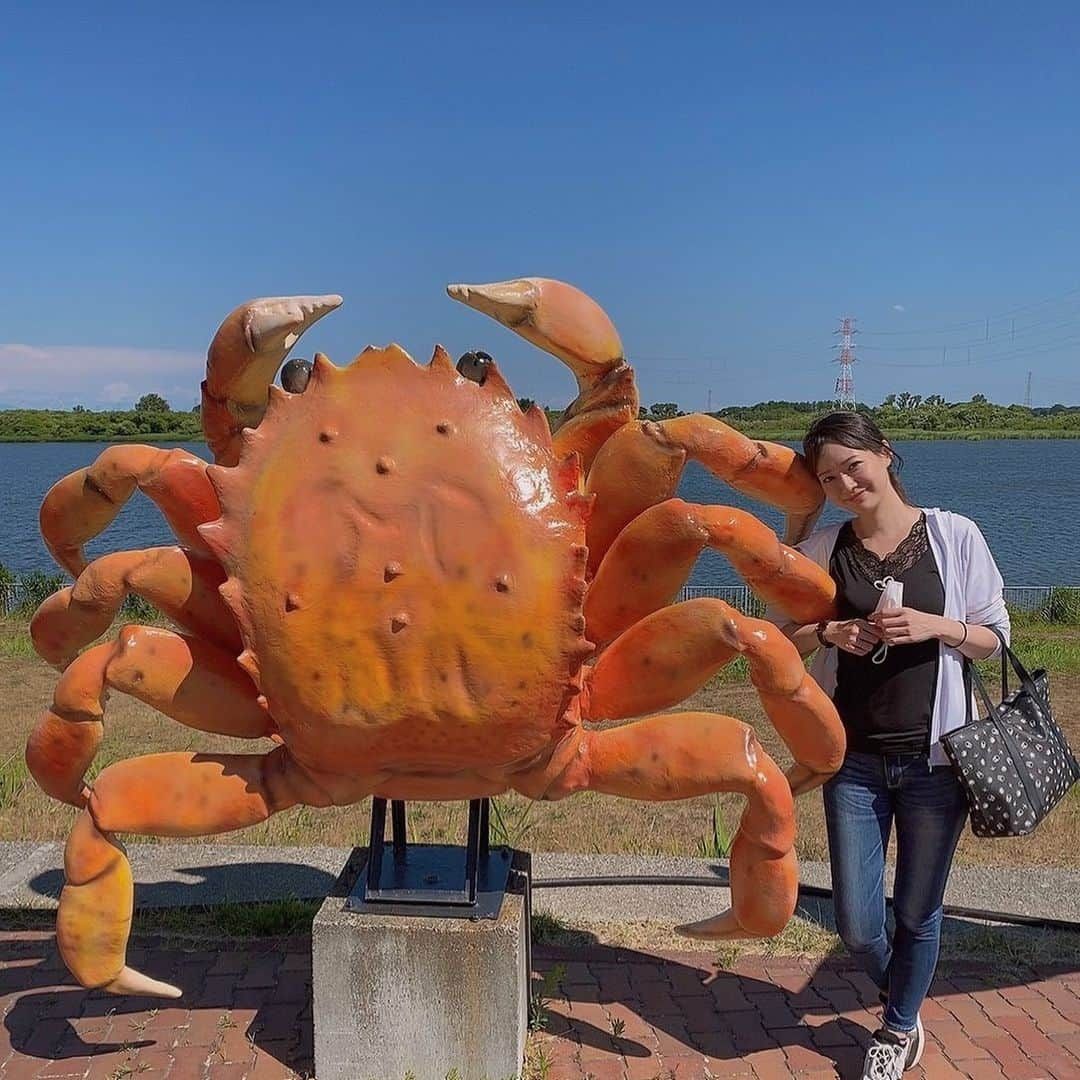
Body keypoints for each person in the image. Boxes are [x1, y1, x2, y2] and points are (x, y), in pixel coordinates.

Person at [773, 411, 1009, 1079]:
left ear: (884, 453)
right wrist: (829, 635)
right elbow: (777, 636)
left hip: (938, 762)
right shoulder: (826, 546)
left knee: (917, 910)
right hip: (853, 758)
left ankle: (899, 1027)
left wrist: (935, 625)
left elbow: (996, 637)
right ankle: (901, 993)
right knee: (855, 921)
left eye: (854, 464)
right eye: (829, 476)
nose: (847, 482)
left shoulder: (954, 534)